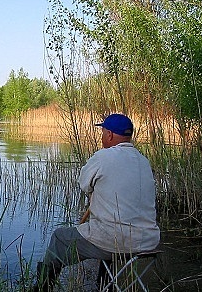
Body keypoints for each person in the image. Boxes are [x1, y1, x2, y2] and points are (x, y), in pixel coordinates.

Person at [34, 113, 160, 291]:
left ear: (109, 134)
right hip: (149, 242)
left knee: (60, 237)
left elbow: (84, 185)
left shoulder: (103, 157)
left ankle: (41, 288)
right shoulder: (143, 161)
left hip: (117, 242)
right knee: (113, 235)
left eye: (102, 132)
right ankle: (105, 287)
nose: (101, 137)